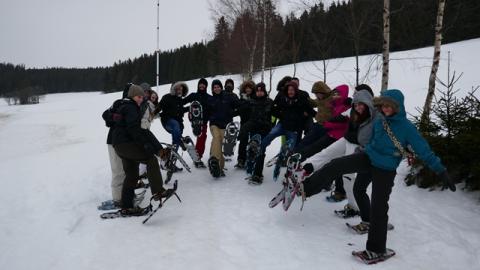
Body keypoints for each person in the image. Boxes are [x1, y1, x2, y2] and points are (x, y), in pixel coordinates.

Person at [298, 89, 456, 260]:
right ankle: (306, 189)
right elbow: (372, 139)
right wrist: (362, 149)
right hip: (368, 157)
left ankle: (377, 249)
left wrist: (441, 170)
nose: (386, 109)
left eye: (389, 106)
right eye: (383, 105)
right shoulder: (380, 120)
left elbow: (425, 151)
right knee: (338, 167)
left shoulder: (407, 128)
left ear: (398, 106)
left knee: (379, 206)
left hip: (385, 168)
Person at [301, 88, 376, 218]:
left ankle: (354, 207)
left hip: (357, 146)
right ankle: (303, 168)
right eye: (355, 101)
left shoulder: (375, 115)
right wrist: (328, 121)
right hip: (346, 139)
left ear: (367, 100)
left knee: (347, 176)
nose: (357, 106)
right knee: (326, 154)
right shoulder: (353, 109)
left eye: (360, 102)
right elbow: (341, 117)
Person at [111, 84, 174, 215]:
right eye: (138, 96)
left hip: (119, 145)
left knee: (132, 174)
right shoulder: (131, 107)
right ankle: (158, 191)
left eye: (141, 96)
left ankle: (127, 206)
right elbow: (134, 129)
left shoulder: (125, 106)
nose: (141, 99)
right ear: (132, 96)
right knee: (150, 160)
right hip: (126, 144)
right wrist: (144, 145)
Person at [251, 81, 316, 184]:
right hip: (282, 125)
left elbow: (312, 112)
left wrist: (308, 117)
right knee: (268, 137)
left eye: (292, 90)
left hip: (294, 129)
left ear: (296, 90)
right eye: (289, 90)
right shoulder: (282, 98)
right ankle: (259, 150)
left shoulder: (301, 99)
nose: (290, 92)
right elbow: (273, 109)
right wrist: (281, 115)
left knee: (293, 153)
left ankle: (289, 176)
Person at [101, 83, 131, 208]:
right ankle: (117, 199)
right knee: (118, 171)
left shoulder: (136, 105)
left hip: (127, 143)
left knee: (127, 171)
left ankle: (125, 196)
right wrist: (114, 117)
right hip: (113, 141)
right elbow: (105, 115)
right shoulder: (118, 103)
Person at [206, 79, 240, 177]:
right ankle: (214, 160)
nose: (216, 89)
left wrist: (233, 113)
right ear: (212, 89)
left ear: (221, 87)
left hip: (226, 125)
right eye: (214, 87)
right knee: (216, 137)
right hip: (214, 124)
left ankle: (219, 168)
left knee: (219, 143)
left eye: (218, 87)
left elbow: (238, 106)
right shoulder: (210, 100)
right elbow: (206, 113)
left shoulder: (229, 97)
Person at [235, 82, 273, 169]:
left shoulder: (261, 100)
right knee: (244, 141)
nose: (248, 89)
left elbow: (273, 112)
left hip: (258, 125)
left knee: (256, 145)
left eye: (250, 88)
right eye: (246, 88)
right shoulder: (244, 99)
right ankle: (242, 160)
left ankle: (254, 165)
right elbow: (239, 108)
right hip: (247, 122)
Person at [184, 78, 211, 166]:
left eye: (204, 84)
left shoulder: (209, 97)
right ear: (198, 85)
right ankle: (197, 157)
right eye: (201, 84)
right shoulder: (193, 95)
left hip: (204, 121)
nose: (202, 85)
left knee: (202, 137)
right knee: (201, 136)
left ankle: (198, 156)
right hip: (194, 119)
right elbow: (183, 102)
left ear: (206, 86)